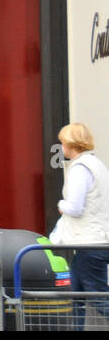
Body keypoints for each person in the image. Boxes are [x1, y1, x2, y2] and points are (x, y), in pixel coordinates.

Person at [55, 122, 109, 329]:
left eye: (62, 143)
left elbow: (75, 207)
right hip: (99, 240)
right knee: (76, 293)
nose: (61, 147)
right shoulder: (97, 165)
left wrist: (61, 204)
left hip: (90, 243)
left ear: (71, 143)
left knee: (97, 297)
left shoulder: (79, 168)